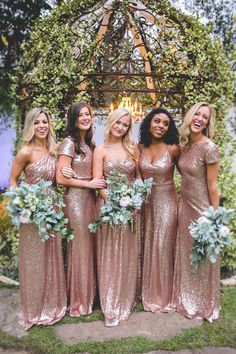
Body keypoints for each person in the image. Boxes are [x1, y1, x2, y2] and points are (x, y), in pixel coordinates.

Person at [9, 108, 67, 330]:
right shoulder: (25, 151)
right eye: (37, 122)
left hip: (52, 208)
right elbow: (13, 181)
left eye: (45, 122)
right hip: (32, 212)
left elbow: (61, 176)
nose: (42, 125)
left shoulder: (54, 150)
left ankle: (52, 305)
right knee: (33, 258)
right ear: (30, 126)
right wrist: (22, 206)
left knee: (51, 255)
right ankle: (33, 308)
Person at [172, 101, 220, 321]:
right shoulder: (185, 145)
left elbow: (212, 186)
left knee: (201, 254)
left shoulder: (209, 148)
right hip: (185, 207)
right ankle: (186, 298)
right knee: (186, 252)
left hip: (201, 209)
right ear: (190, 116)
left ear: (208, 123)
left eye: (205, 117)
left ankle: (203, 302)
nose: (200, 119)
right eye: (197, 114)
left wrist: (214, 218)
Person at [56, 102, 106, 317]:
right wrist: (88, 184)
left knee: (90, 247)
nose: (85, 118)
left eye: (88, 114)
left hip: (91, 201)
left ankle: (91, 296)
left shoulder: (91, 144)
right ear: (73, 119)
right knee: (81, 248)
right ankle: (79, 300)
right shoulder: (69, 143)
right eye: (80, 115)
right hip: (76, 201)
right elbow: (60, 178)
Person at [93, 107, 140, 327]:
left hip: (131, 209)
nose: (121, 127)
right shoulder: (100, 150)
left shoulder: (133, 149)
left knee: (128, 253)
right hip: (109, 208)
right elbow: (98, 182)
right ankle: (110, 302)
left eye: (125, 124)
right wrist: (113, 202)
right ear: (111, 122)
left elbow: (138, 179)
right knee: (110, 253)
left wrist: (133, 201)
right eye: (118, 123)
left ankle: (125, 298)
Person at [139, 107, 180, 312]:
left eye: (166, 123)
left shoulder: (173, 148)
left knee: (163, 246)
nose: (161, 126)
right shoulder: (139, 147)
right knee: (146, 243)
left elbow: (190, 173)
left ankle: (163, 296)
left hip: (166, 202)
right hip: (145, 202)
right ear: (149, 123)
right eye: (157, 121)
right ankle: (144, 291)